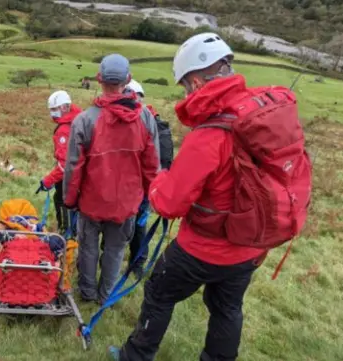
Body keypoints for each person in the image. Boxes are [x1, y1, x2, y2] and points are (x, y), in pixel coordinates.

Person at [111, 33, 268, 361]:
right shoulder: (258, 117)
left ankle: (136, 356)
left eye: (184, 85)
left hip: (204, 246)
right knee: (227, 308)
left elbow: (170, 204)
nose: (186, 92)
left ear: (196, 81)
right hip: (249, 244)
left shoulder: (210, 135)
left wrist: (159, 181)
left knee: (158, 292)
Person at [63, 54, 160, 304]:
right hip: (127, 203)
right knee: (115, 250)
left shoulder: (84, 120)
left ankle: (87, 291)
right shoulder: (146, 118)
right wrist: (150, 199)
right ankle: (105, 296)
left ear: (99, 78)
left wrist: (70, 200)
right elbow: (152, 165)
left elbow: (73, 167)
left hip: (91, 201)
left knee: (88, 247)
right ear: (127, 79)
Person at [122, 79, 174, 277]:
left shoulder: (156, 126)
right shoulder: (130, 120)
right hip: (128, 186)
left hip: (144, 189)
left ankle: (137, 264)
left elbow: (163, 162)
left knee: (138, 227)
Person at [38, 90, 82, 235]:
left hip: (68, 179)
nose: (52, 113)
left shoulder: (64, 129)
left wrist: (48, 181)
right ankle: (74, 232)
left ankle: (66, 235)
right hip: (82, 175)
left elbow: (64, 165)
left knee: (62, 201)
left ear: (64, 107)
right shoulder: (80, 119)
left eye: (53, 109)